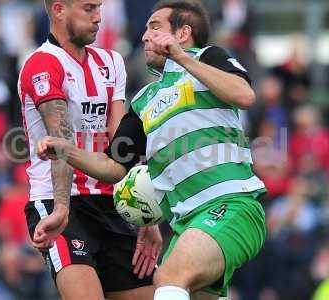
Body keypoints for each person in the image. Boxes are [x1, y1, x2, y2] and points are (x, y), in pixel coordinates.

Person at [37, 0, 267, 299]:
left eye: (155, 27)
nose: (145, 36)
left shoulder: (208, 57)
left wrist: (183, 58)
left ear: (183, 33)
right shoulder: (144, 100)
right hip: (188, 222)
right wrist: (66, 150)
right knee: (168, 284)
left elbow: (244, 94)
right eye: (145, 28)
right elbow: (113, 166)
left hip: (233, 205)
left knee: (170, 277)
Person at [18, 0, 162, 299]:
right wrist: (60, 208)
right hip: (61, 200)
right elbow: (60, 143)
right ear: (59, 10)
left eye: (99, 8)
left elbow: (122, 144)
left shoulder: (111, 62)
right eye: (89, 9)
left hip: (112, 202)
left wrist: (144, 213)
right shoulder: (43, 63)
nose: (99, 18)